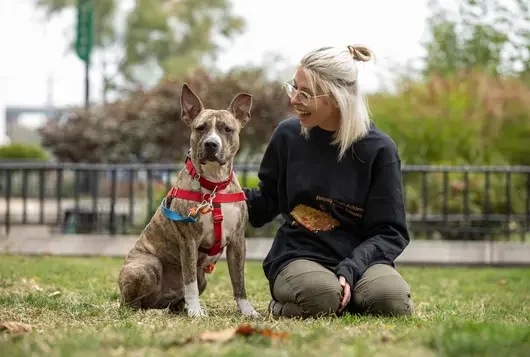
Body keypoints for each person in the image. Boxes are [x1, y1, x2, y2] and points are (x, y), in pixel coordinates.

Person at [242, 44, 414, 319]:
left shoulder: (379, 149)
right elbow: (267, 201)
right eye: (293, 88)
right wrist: (219, 192)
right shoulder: (288, 136)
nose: (294, 100)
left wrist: (352, 267)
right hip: (299, 254)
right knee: (321, 296)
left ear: (336, 97)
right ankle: (300, 303)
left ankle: (346, 296)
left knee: (390, 300)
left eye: (305, 93)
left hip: (361, 259)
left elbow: (390, 231)